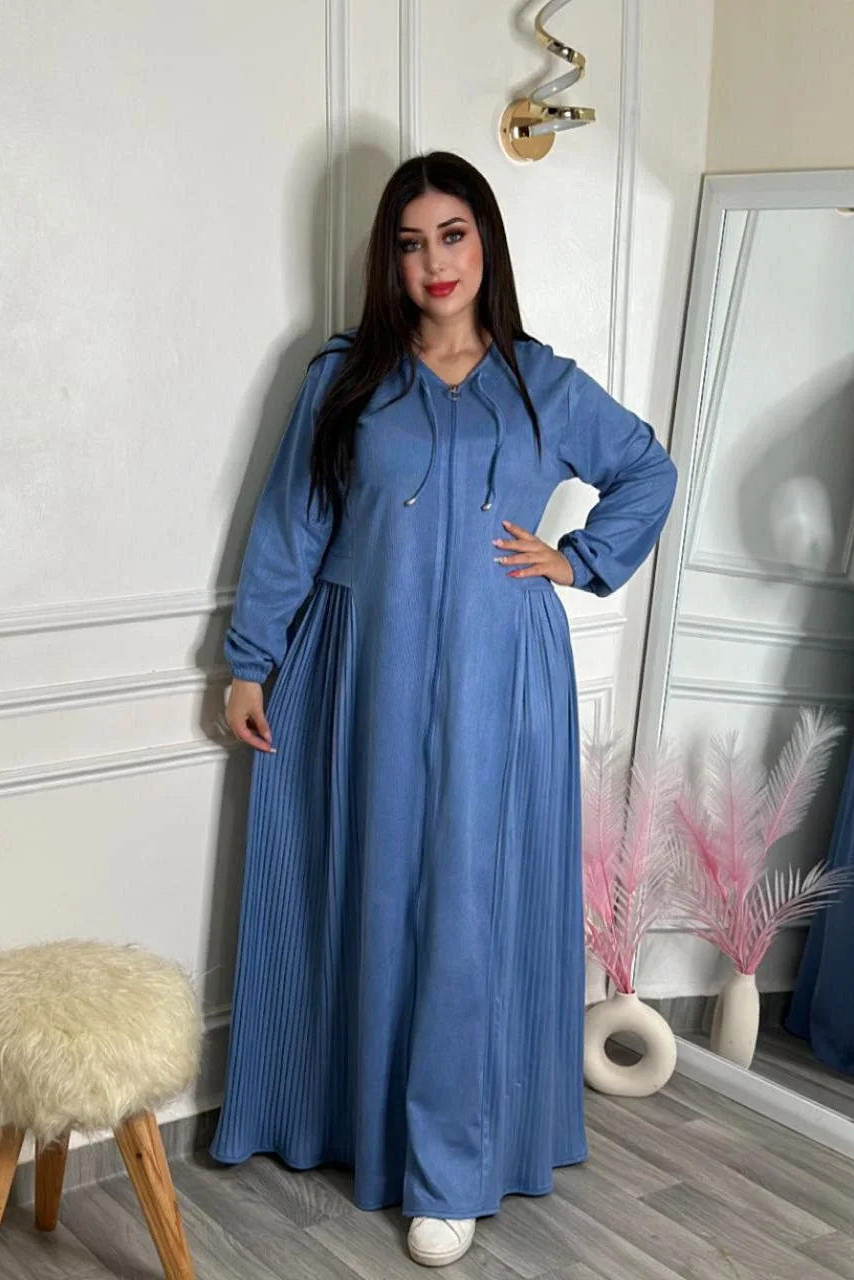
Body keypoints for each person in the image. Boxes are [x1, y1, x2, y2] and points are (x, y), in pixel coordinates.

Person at [208, 150, 677, 1268]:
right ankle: (342, 1120)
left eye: (452, 235)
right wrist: (248, 661)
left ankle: (449, 1166)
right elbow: (292, 520)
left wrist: (575, 559)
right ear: (390, 257)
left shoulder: (541, 383)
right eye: (411, 242)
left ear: (485, 243)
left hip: (497, 676)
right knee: (362, 887)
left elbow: (647, 471)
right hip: (354, 668)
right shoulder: (344, 377)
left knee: (468, 905)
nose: (433, 262)